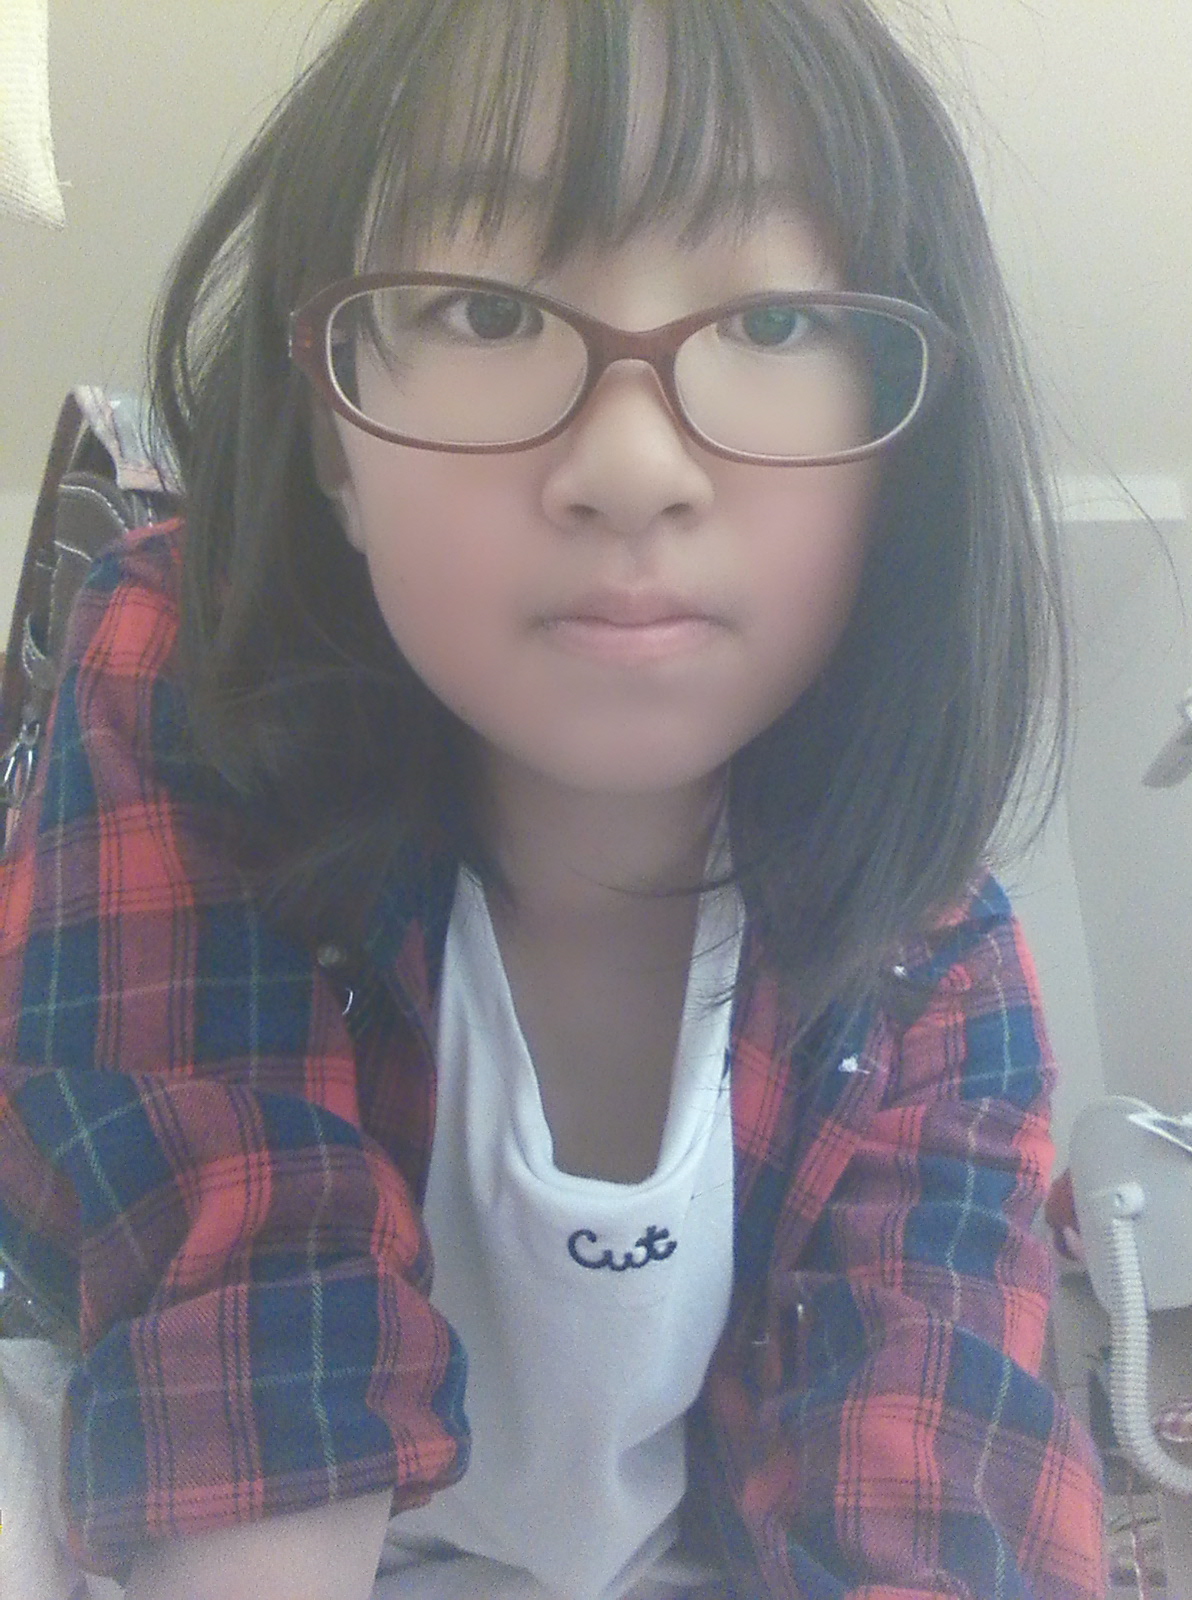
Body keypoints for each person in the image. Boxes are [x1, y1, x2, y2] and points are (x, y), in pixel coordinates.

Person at [0, 1, 1105, 1596]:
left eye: (774, 322)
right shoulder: (193, 688)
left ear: (900, 442)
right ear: (333, 437)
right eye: (483, 307)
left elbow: (934, 1481)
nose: (632, 464)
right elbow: (240, 1308)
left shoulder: (935, 967)